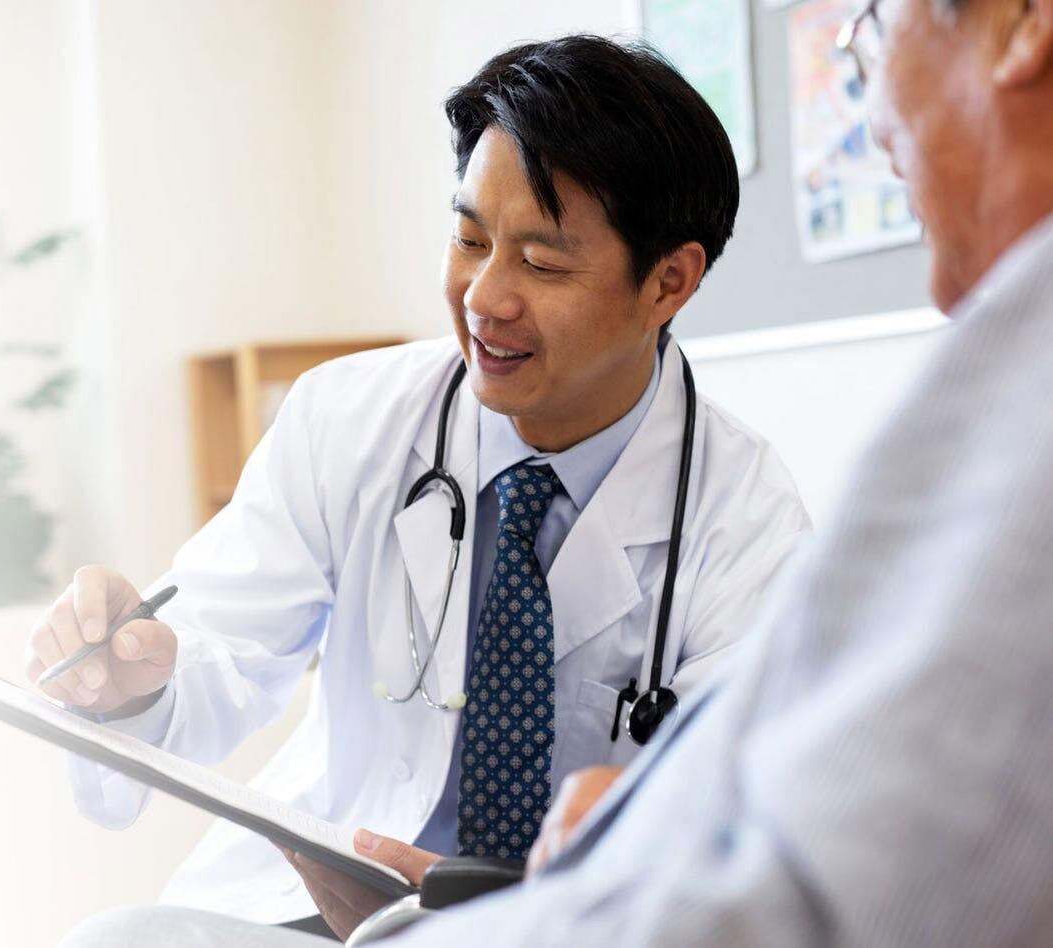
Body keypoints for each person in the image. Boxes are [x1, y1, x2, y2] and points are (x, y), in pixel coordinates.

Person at [62, 0, 1053, 943]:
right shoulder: (347, 420)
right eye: (466, 240)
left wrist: (511, 896)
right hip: (297, 905)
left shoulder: (742, 519)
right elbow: (212, 670)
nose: (483, 298)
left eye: (540, 263)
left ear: (668, 281)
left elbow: (726, 845)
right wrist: (133, 682)